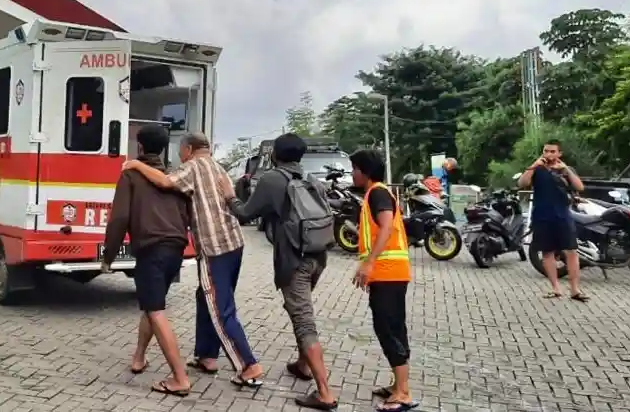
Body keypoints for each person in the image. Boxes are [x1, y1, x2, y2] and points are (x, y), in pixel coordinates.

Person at [123, 132, 263, 387]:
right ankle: (207, 355)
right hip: (235, 244)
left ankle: (248, 365)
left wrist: (135, 164)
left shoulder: (193, 167)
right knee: (205, 298)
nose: (179, 155)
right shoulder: (217, 166)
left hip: (214, 247)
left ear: (188, 149)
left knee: (221, 308)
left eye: (181, 150)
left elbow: (165, 182)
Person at [219, 133, 338, 410]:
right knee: (298, 308)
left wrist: (229, 196)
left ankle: (324, 392)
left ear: (275, 154)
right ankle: (302, 364)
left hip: (294, 258)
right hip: (318, 256)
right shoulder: (311, 180)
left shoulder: (273, 179)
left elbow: (246, 213)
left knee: (303, 320)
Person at [101, 124, 192, 396]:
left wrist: (108, 256)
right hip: (175, 248)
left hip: (152, 249)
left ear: (140, 146)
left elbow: (119, 218)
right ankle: (139, 357)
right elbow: (187, 213)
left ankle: (180, 378)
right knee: (151, 305)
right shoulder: (175, 176)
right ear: (165, 148)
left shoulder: (131, 174)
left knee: (155, 311)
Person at [350, 149, 417, 412]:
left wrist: (368, 263)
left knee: (388, 329)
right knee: (393, 327)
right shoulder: (377, 192)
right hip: (390, 272)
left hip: (388, 272)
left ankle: (403, 393)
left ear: (365, 171)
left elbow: (386, 226)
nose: (352, 173)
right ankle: (398, 385)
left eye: (354, 168)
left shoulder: (377, 193)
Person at [517, 139, 588, 301]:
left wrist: (566, 170)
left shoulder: (565, 170)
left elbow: (579, 187)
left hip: (563, 215)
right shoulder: (537, 168)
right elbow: (522, 183)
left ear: (559, 153)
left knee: (571, 252)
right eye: (546, 151)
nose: (548, 154)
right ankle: (556, 288)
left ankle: (575, 290)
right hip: (542, 216)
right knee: (547, 253)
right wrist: (533, 166)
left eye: (552, 151)